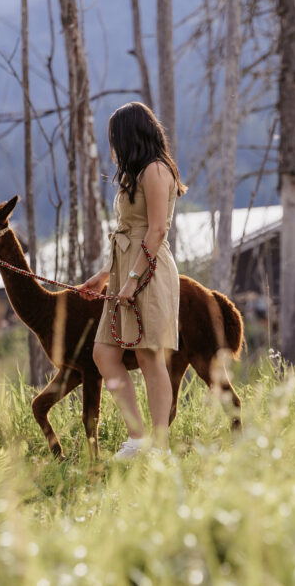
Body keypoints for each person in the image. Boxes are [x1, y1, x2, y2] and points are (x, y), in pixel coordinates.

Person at [80, 102, 186, 459]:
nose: (112, 147)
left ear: (129, 136)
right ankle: (137, 439)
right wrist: (104, 276)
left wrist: (133, 280)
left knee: (149, 357)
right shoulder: (133, 174)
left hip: (150, 272)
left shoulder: (156, 171)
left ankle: (159, 446)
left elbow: (156, 230)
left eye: (114, 139)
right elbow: (126, 233)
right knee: (104, 354)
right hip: (126, 270)